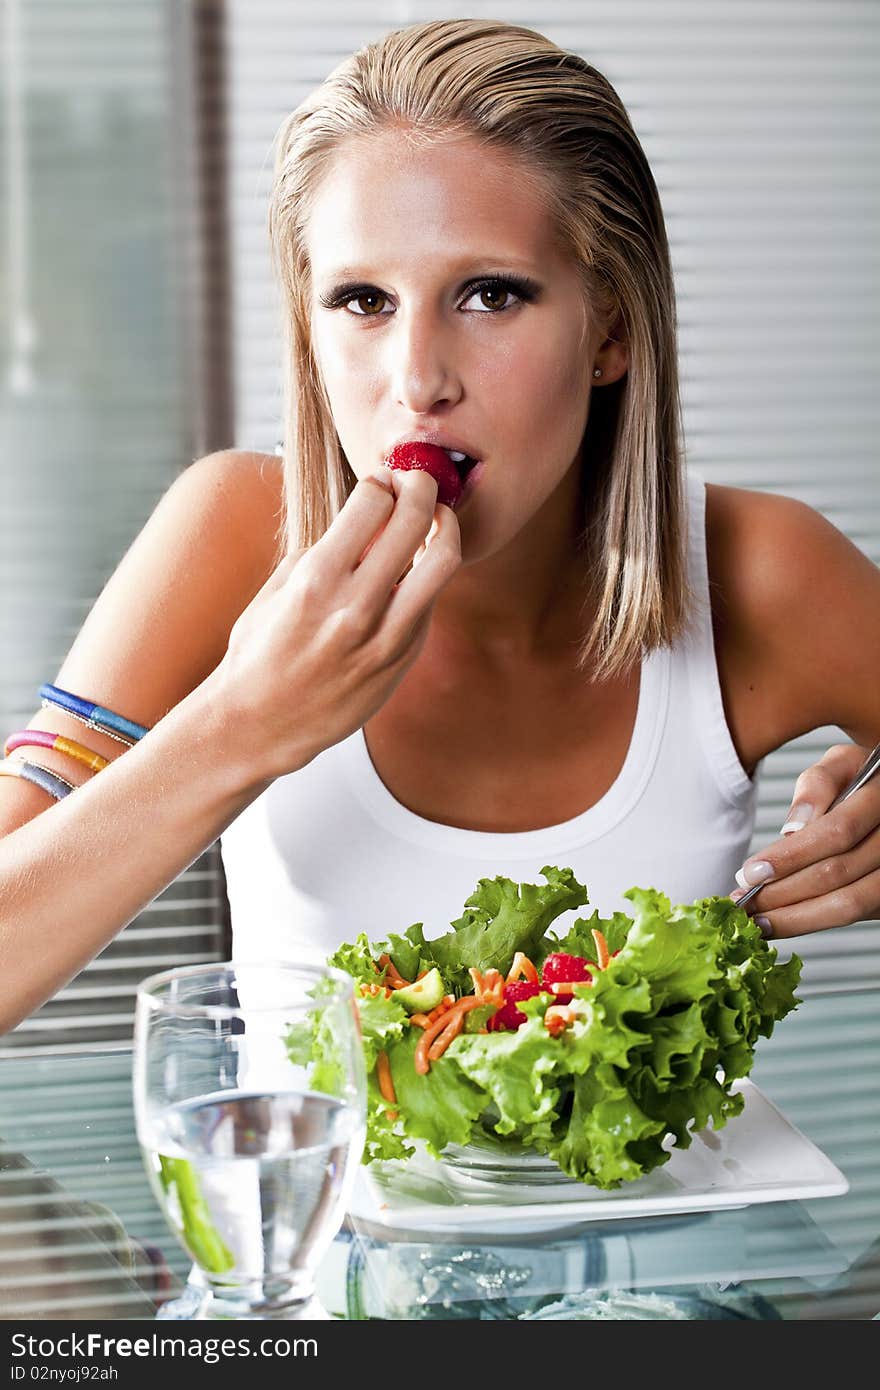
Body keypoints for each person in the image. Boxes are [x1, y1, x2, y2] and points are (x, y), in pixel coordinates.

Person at [0, 17, 877, 1035]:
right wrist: (239, 726)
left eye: (489, 294)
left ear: (610, 329)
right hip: (312, 1201)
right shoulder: (235, 534)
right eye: (363, 301)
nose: (417, 382)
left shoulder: (757, 571)